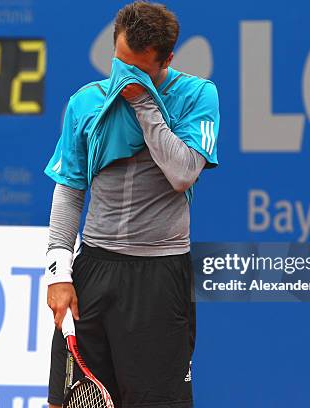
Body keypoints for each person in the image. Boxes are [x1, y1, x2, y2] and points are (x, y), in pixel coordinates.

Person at [44, 2, 220, 407]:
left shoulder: (197, 96)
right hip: (93, 271)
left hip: (159, 278)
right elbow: (70, 190)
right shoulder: (84, 103)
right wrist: (58, 271)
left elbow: (182, 173)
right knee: (65, 402)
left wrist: (143, 103)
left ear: (167, 60)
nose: (123, 77)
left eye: (136, 69)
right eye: (119, 63)